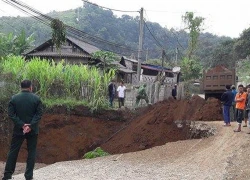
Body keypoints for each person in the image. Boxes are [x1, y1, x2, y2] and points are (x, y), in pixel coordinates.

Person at [2, 80, 43, 180]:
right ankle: (28, 176)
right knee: (31, 152)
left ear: (21, 87)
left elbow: (11, 114)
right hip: (32, 130)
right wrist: (30, 125)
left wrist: (22, 125)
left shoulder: (14, 98)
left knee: (13, 151)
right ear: (30, 87)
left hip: (18, 130)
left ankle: (7, 175)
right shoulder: (36, 99)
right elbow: (39, 114)